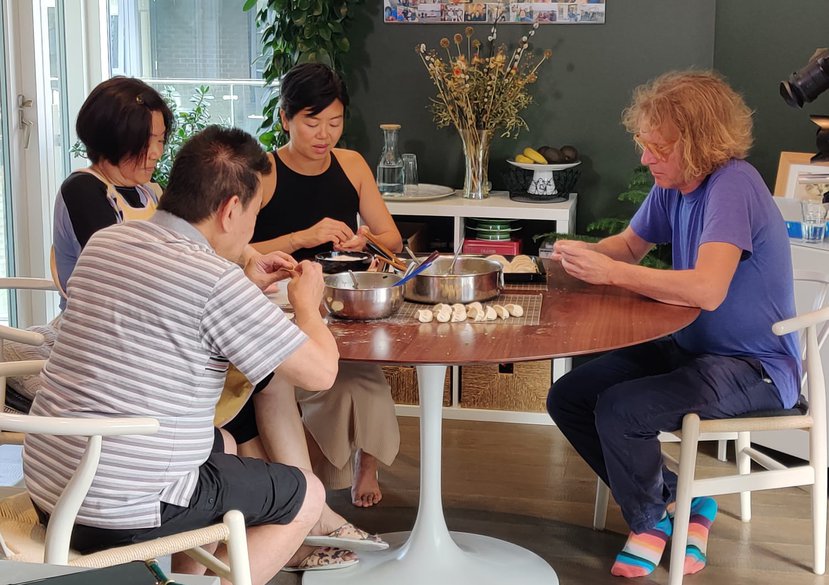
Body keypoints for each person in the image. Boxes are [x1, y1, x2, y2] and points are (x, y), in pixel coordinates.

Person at [23, 126, 348, 583]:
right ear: (230, 210)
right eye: (254, 213)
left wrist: (243, 288)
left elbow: (165, 312)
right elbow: (320, 373)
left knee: (225, 444)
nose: (253, 228)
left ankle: (186, 579)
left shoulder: (108, 242)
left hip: (51, 485)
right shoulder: (214, 279)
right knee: (307, 495)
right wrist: (307, 306)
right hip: (121, 508)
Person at [546, 70, 800, 578]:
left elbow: (707, 289)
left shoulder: (733, 185)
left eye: (658, 147)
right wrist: (578, 257)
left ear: (700, 143)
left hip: (756, 368)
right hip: (690, 350)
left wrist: (612, 273)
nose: (645, 159)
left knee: (623, 408)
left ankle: (651, 521)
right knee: (568, 396)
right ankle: (679, 502)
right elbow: (627, 246)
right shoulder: (676, 184)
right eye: (644, 144)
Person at [238, 62, 403, 509]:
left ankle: (364, 464)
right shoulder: (264, 172)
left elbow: (391, 238)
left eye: (335, 122)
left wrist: (365, 240)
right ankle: (309, 480)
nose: (324, 135)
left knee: (365, 376)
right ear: (285, 118)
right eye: (312, 123)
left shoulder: (352, 165)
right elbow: (238, 250)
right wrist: (301, 238)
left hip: (343, 300)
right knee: (327, 381)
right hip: (281, 305)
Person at [4, 76, 172, 403]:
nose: (156, 153)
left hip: (141, 334)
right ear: (112, 137)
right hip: (95, 342)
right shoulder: (83, 189)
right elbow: (127, 273)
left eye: (161, 140)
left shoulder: (151, 192)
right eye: (145, 140)